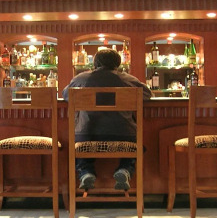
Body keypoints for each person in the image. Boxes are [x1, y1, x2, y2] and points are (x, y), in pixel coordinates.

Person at [62, 47, 151, 191]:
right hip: (123, 135)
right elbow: (147, 94)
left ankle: (85, 172)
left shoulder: (81, 79)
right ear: (118, 64)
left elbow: (66, 95)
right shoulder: (127, 79)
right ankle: (125, 170)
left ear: (95, 64)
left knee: (78, 141)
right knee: (137, 144)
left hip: (87, 135)